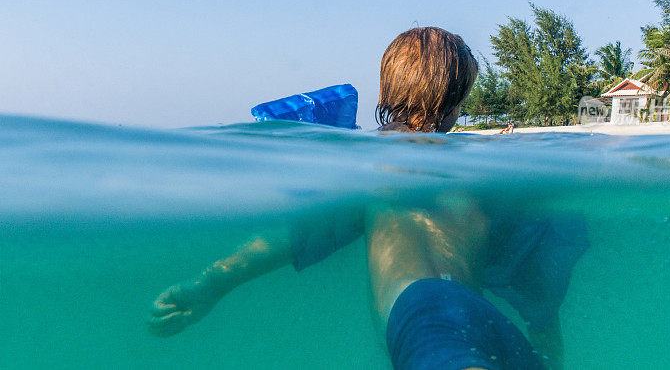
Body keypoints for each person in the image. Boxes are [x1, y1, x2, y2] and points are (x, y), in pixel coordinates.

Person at [149, 27, 586, 370]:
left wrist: (208, 284)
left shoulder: (368, 168)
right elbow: (537, 281)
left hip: (426, 314)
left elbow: (286, 241)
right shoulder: (482, 167)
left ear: (388, 90)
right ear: (453, 103)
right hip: (483, 319)